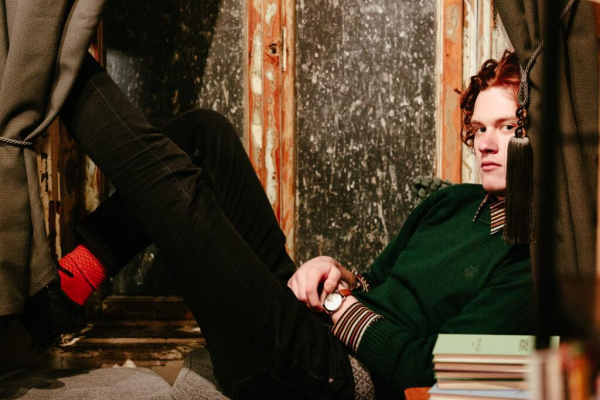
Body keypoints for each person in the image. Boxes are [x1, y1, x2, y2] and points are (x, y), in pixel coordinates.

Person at [20, 50, 532, 399]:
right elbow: (374, 283)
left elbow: (431, 371)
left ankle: (45, 57)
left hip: (331, 376)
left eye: (507, 128)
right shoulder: (450, 203)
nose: (486, 144)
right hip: (316, 327)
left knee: (178, 194)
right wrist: (337, 274)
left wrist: (339, 308)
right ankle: (71, 285)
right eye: (479, 128)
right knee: (204, 134)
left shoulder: (531, 256)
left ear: (536, 133)